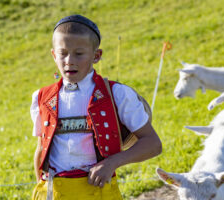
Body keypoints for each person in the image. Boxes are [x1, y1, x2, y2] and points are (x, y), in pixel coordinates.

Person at [30, 14, 162, 200]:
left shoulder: (117, 94)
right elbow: (41, 150)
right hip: (53, 193)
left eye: (79, 53)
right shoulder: (42, 97)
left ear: (96, 56)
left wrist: (112, 163)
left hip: (98, 191)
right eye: (63, 53)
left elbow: (153, 144)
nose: (69, 60)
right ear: (53, 55)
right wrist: (40, 187)